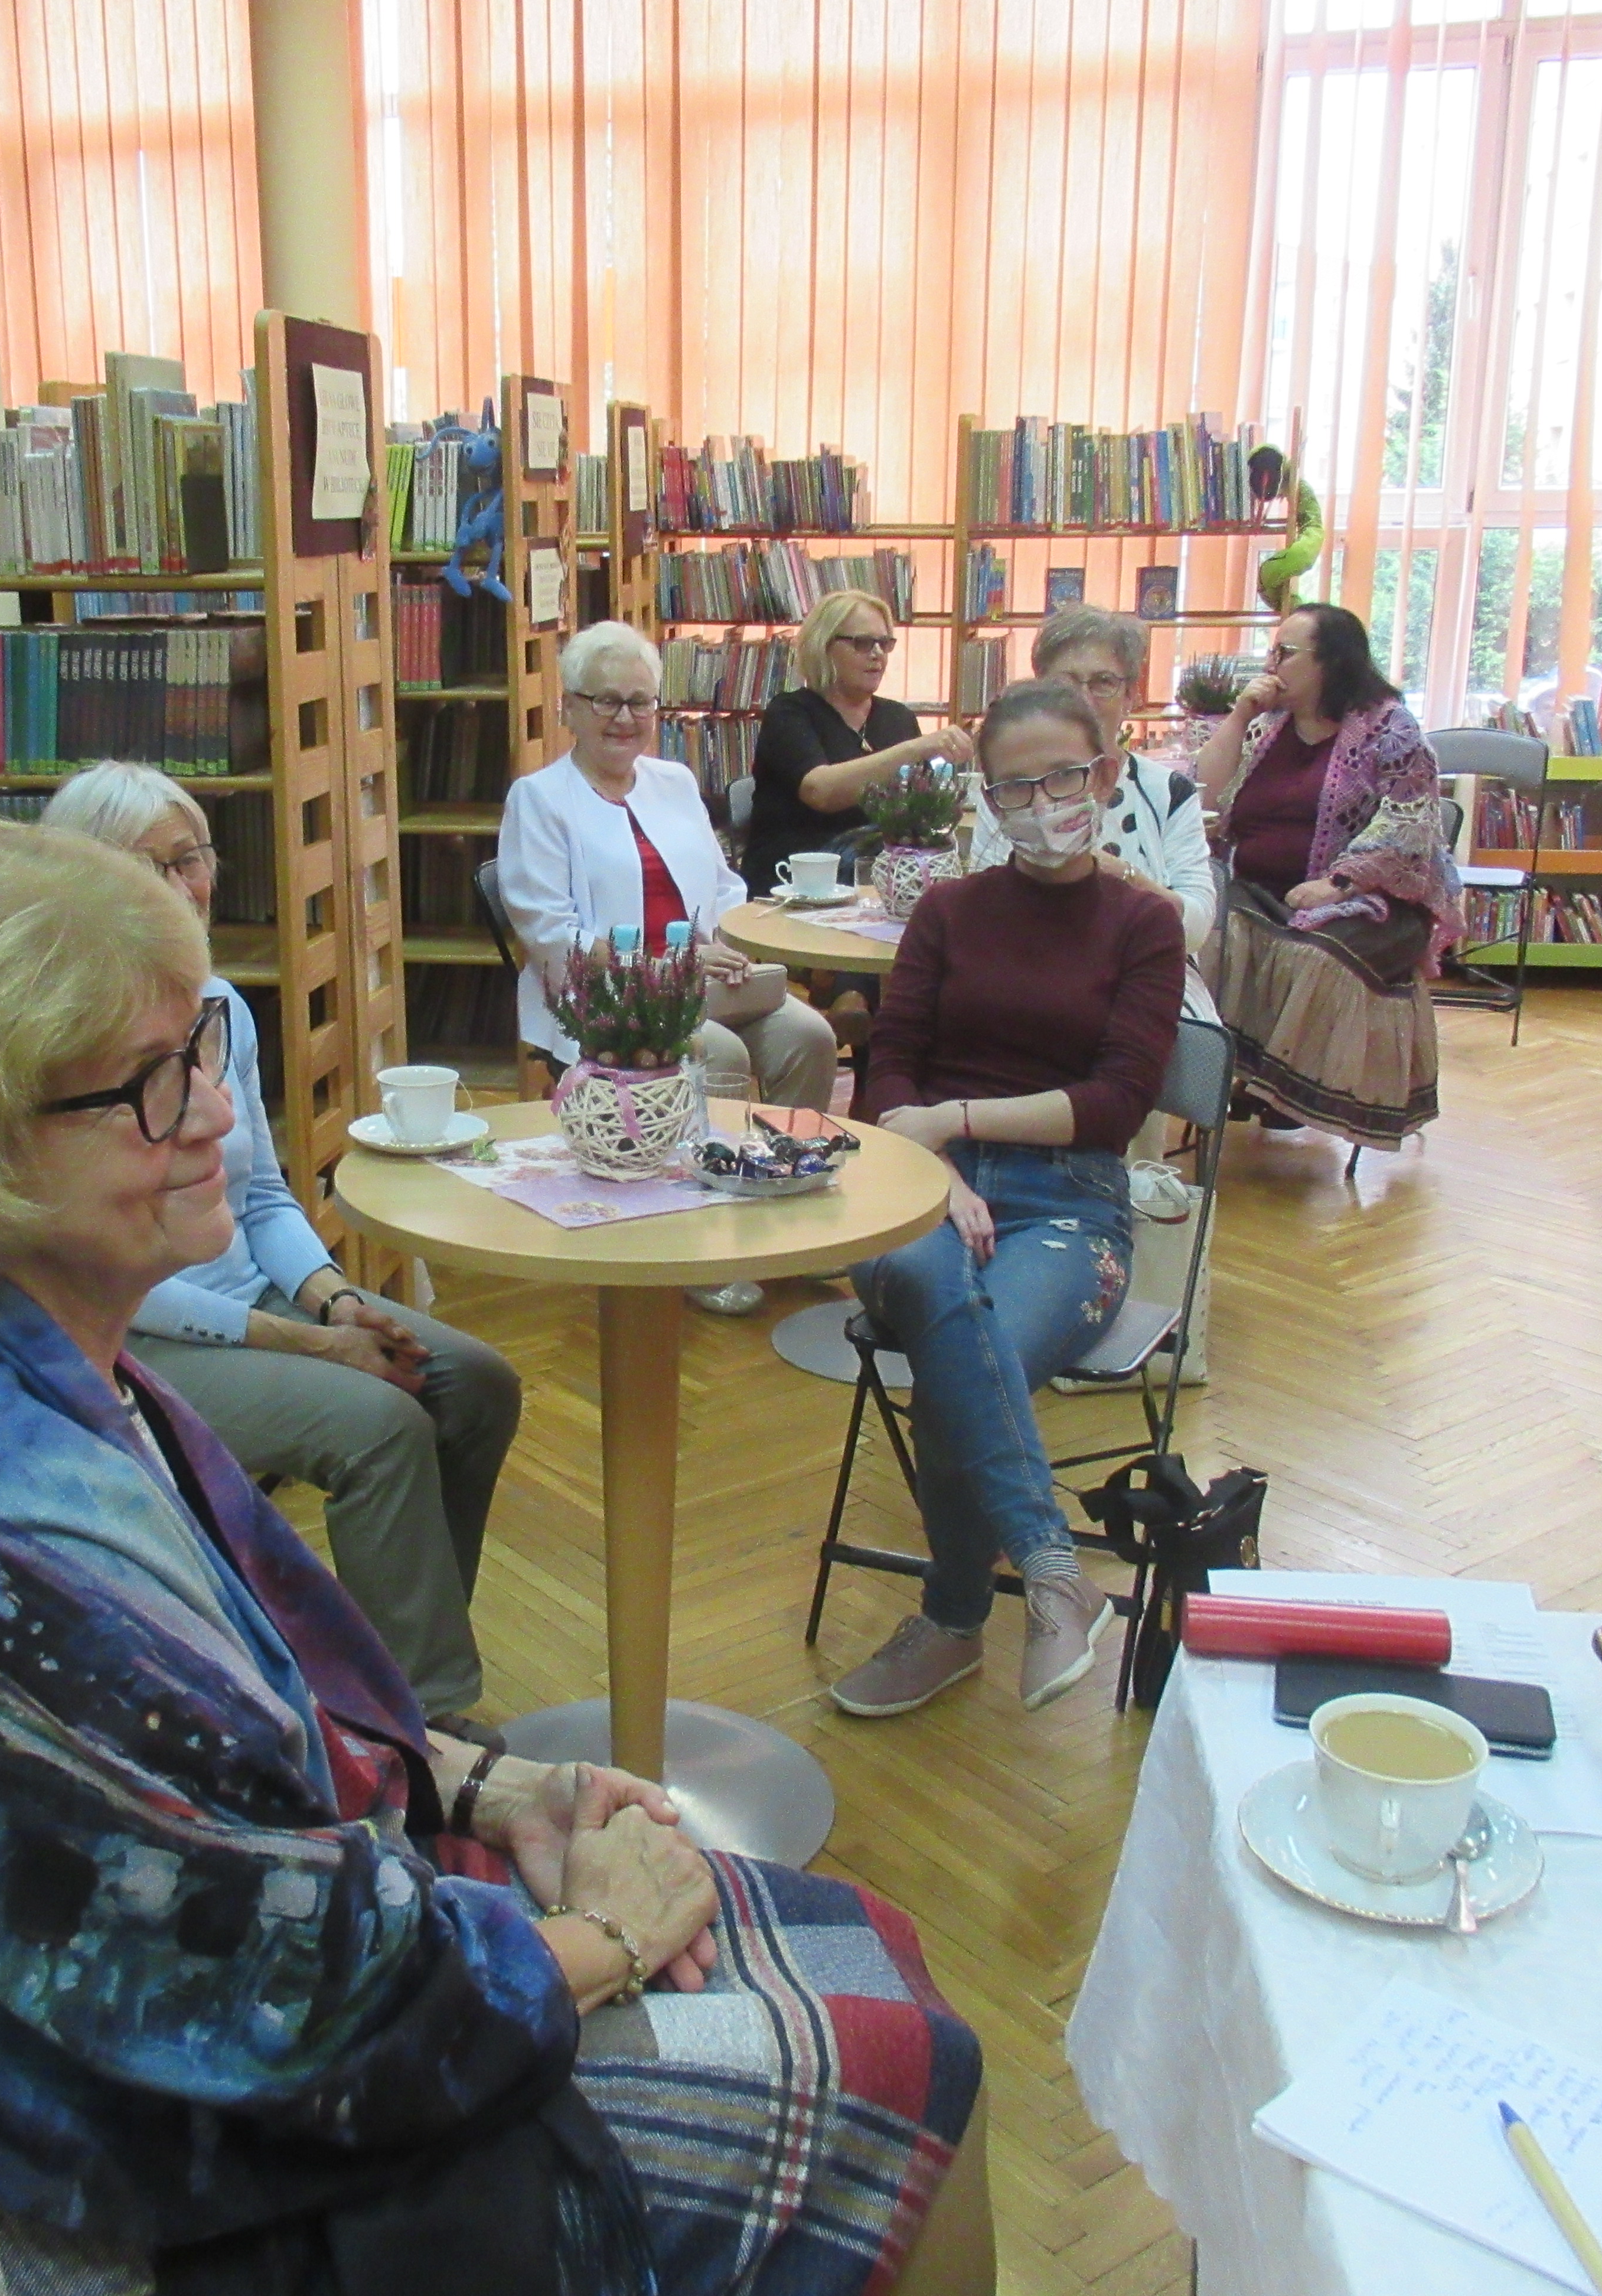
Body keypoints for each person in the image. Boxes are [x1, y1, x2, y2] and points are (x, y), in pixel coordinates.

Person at [0, 814, 993, 2296]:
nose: (214, 1110)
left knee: (870, 1955)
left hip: (226, 2026)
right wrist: (606, 1936)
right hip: (182, 2190)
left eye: (199, 1047)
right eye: (151, 1081)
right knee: (900, 2054)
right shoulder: (8, 1539)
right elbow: (308, 2018)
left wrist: (490, 1785)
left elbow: (243, 1740)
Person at [39, 764, 518, 1739]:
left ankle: (381, 1665)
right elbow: (113, 1274)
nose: (178, 888)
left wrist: (338, 1300)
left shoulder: (221, 1006)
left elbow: (261, 1197)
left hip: (257, 1300)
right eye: (143, 868)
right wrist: (311, 1342)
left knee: (474, 1382)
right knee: (381, 1425)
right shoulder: (66, 1043)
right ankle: (419, 1725)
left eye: (189, 859)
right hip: (137, 1338)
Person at [827, 681, 1187, 1720]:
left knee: (961, 1354)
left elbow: (1116, 1104)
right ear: (986, 799)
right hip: (912, 1190)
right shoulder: (946, 911)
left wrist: (954, 1121)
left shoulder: (1144, 924)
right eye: (1015, 788)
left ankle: (951, 1621)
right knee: (940, 1294)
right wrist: (933, 1169)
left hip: (1069, 1202)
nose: (1042, 804)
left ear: (1106, 774)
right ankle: (1053, 1572)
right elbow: (888, 1068)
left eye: (1063, 778)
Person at [499, 619, 841, 1315]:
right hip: (615, 998)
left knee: (811, 1037)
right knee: (717, 1054)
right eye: (606, 700)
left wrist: (736, 945)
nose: (624, 718)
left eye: (640, 702)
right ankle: (698, 1242)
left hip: (708, 983)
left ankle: (784, 1211)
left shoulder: (675, 782)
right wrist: (669, 961)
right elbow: (548, 931)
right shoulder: (539, 799)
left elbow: (724, 885)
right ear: (570, 707)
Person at [1187, 603, 1459, 1147]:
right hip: (1259, 887)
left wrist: (1338, 883)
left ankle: (1286, 1091)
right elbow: (1206, 797)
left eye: (1285, 653)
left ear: (1331, 662)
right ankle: (1228, 1076)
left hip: (1372, 899)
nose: (1272, 664)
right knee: (1204, 931)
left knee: (1315, 955)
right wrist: (1238, 715)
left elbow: (1409, 824)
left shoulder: (1392, 730)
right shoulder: (1265, 727)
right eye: (1272, 652)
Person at [966, 604, 1217, 1013]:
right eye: (1065, 683)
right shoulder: (1010, 791)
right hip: (1027, 972)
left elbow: (1196, 929)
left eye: (1104, 683)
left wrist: (1121, 877)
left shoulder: (1169, 793)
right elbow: (987, 915)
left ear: (1131, 696)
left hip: (1154, 980)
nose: (1084, 699)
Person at [739, 589, 974, 898]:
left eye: (885, 644)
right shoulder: (790, 712)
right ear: (824, 646)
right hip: (795, 885)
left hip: (877, 881)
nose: (877, 654)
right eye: (863, 643)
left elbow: (917, 811)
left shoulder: (897, 717)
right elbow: (821, 791)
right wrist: (915, 749)